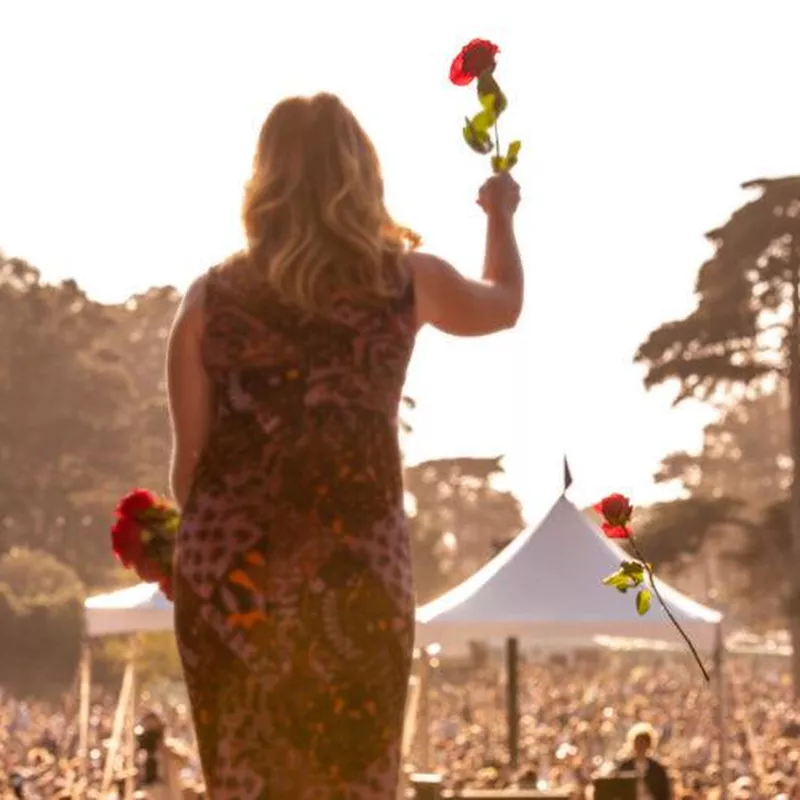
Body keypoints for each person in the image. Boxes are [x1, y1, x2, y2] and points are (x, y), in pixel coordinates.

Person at [166, 91, 524, 799]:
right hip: (353, 565)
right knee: (350, 780)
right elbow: (502, 303)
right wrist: (501, 219)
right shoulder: (405, 280)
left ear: (263, 180)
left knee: (248, 779)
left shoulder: (206, 302)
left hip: (231, 571)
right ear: (362, 175)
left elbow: (189, 472)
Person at [618, 723, 671, 800]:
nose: (640, 746)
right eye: (637, 743)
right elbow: (619, 790)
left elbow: (664, 793)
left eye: (643, 743)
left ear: (648, 745)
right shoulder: (625, 767)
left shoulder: (657, 769)